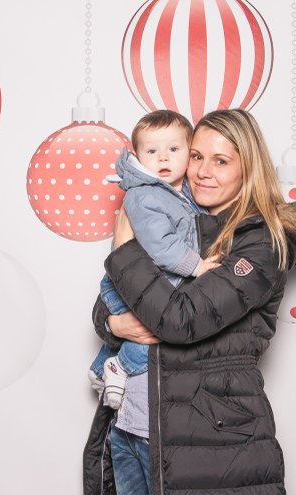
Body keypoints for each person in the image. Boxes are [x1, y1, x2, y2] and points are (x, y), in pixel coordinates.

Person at [83, 109, 296, 495]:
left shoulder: (261, 243)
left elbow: (180, 319)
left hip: (209, 443)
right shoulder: (181, 219)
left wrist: (124, 248)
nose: (202, 171)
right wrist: (113, 326)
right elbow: (113, 300)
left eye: (221, 161)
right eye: (196, 156)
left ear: (248, 169)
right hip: (134, 428)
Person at [87, 110, 222, 410]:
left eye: (173, 149)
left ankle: (101, 368)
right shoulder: (143, 195)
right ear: (137, 156)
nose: (163, 158)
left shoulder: (182, 192)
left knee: (150, 330)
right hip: (127, 286)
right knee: (154, 335)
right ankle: (118, 366)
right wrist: (198, 266)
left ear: (189, 153)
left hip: (151, 284)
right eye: (151, 151)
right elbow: (161, 246)